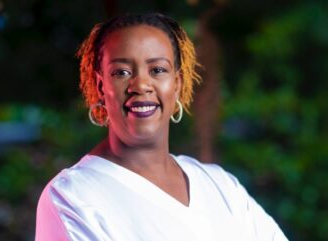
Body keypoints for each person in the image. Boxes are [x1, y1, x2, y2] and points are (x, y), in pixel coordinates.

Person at [35, 13, 288, 241]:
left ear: (176, 84)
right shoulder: (72, 197)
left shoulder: (220, 185)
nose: (141, 85)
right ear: (102, 86)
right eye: (121, 72)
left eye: (157, 70)